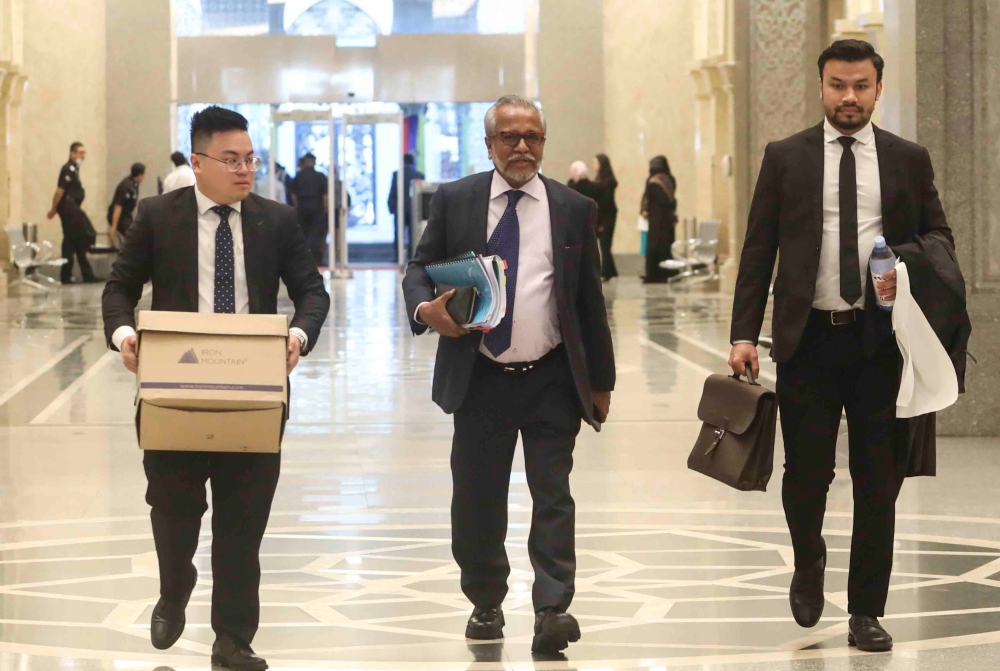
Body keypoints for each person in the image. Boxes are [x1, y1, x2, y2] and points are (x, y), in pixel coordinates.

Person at [728, 40, 957, 653]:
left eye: (860, 85)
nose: (848, 97)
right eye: (837, 85)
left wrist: (901, 262)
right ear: (822, 86)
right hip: (808, 342)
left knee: (879, 480)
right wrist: (743, 334)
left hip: (881, 342)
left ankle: (866, 610)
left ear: (878, 89)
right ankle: (809, 559)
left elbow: (939, 236)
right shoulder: (786, 157)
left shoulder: (908, 159)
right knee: (805, 476)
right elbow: (758, 250)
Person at [102, 106, 330, 668]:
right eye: (231, 159)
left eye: (250, 158)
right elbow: (119, 288)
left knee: (242, 526)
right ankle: (175, 585)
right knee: (173, 510)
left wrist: (298, 335)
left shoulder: (274, 221)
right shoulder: (158, 216)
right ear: (198, 163)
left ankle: (233, 639)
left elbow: (312, 292)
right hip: (173, 393)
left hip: (254, 396)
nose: (245, 169)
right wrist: (125, 335)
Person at [402, 95, 616, 655]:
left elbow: (589, 300)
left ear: (544, 142)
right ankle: (486, 601)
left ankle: (552, 609)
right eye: (510, 137)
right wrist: (427, 310)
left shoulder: (572, 207)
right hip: (480, 377)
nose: (522, 147)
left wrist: (601, 381)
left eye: (533, 137)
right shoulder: (457, 200)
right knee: (477, 497)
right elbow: (419, 269)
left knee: (554, 496)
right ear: (489, 143)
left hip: (551, 377)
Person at [47, 142, 97, 284]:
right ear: (72, 154)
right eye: (80, 152)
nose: (83, 156)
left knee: (78, 240)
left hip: (73, 209)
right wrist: (53, 209)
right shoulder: (67, 168)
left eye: (84, 153)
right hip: (69, 211)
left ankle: (86, 275)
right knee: (71, 241)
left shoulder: (74, 169)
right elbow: (59, 191)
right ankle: (66, 275)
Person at [641, 155, 678, 283]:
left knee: (654, 246)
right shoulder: (670, 179)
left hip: (655, 218)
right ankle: (667, 273)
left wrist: (644, 210)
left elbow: (646, 197)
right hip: (668, 217)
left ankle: (653, 274)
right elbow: (672, 199)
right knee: (666, 246)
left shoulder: (652, 180)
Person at [292, 152, 329, 267]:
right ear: (314, 162)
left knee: (303, 235)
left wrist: (297, 207)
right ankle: (317, 260)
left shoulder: (298, 176)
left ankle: (304, 261)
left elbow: (293, 195)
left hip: (302, 208)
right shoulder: (321, 176)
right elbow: (325, 196)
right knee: (317, 236)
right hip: (317, 208)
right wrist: (325, 209)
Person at [388, 153, 426, 253]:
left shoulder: (397, 175)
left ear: (403, 162)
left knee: (399, 234)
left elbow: (393, 191)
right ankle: (412, 254)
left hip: (400, 209)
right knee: (413, 234)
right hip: (415, 209)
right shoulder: (419, 175)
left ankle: (398, 256)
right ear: (413, 162)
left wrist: (391, 207)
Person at [592, 154, 619, 281]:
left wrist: (601, 221)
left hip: (607, 215)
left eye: (596, 163)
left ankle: (606, 273)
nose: (594, 165)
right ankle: (611, 271)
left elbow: (606, 202)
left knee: (605, 244)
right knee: (604, 244)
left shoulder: (607, 181)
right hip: (603, 214)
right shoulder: (600, 179)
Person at [108, 163, 145, 248]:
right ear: (140, 174)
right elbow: (118, 206)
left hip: (126, 216)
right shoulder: (126, 186)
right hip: (119, 216)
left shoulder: (134, 184)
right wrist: (114, 227)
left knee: (136, 235)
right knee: (133, 237)